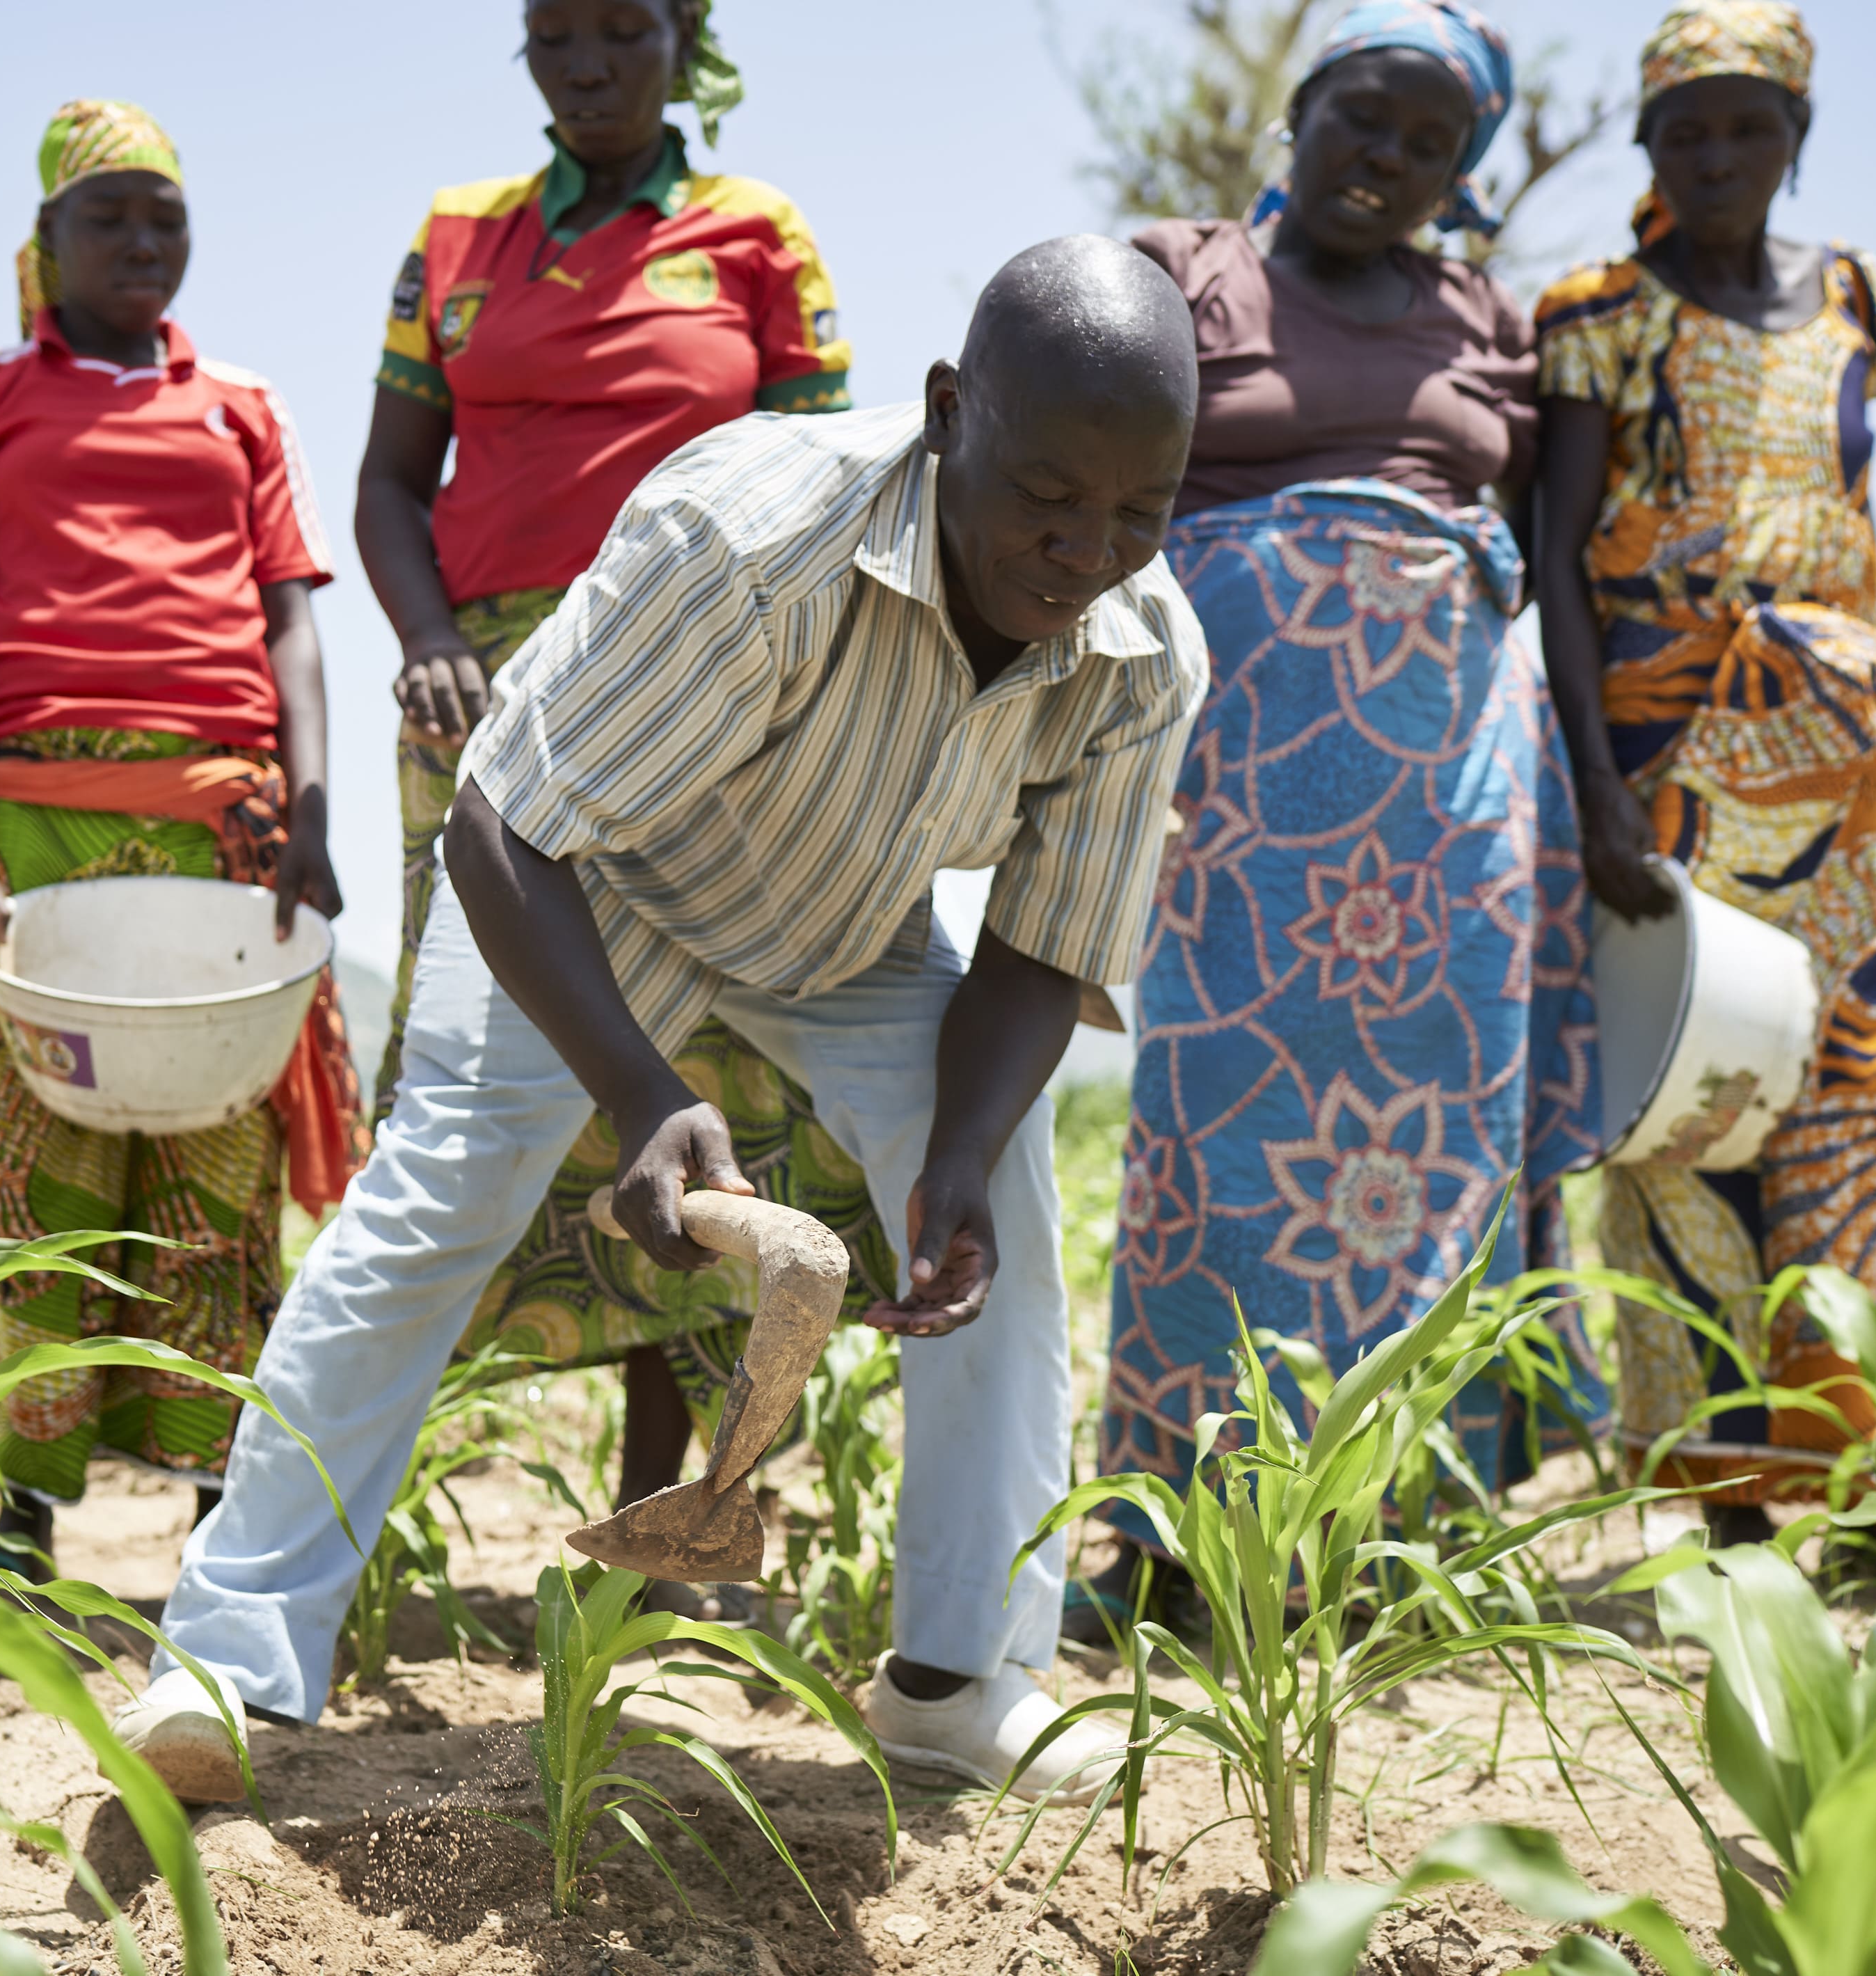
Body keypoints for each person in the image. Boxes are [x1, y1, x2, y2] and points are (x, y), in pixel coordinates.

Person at [115, 235, 1211, 1808]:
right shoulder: (750, 532)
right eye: (1047, 493)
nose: (1083, 546)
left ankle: (960, 1682)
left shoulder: (1141, 648)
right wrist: (635, 1088)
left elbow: (1039, 951)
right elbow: (504, 827)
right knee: (437, 1202)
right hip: (584, 880)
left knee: (1003, 1227)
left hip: (847, 927)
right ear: (951, 409)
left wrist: (956, 1151)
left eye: (1138, 511)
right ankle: (227, 1662)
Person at [1085, 0, 1602, 1623]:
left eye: (1432, 140)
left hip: (1443, 802)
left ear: (1464, 171)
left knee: (1429, 1144)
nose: (1388, 158)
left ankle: (1395, 1536)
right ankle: (1173, 1544)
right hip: (1232, 790)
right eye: (1363, 117)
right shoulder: (1179, 274)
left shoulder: (1488, 321)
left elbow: (1536, 552)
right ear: (1299, 111)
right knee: (1210, 1136)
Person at [356, 0, 871, 1546]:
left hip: (698, 691)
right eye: (554, 33)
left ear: (681, 39)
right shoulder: (454, 237)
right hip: (486, 703)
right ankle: (362, 1498)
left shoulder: (756, 233)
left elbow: (824, 487)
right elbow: (391, 481)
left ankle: (683, 1507)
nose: (585, 61)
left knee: (708, 1069)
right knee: (475, 1081)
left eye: (620, 29)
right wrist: (432, 634)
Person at [1533, 1, 1876, 1531]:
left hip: (1851, 758)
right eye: (1685, 127)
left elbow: (1845, 506)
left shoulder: (1850, 291)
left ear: (1797, 135)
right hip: (1678, 760)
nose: (1717, 153)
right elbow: (1559, 561)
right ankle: (1732, 1495)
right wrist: (1595, 783)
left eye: (1748, 123)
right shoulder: (1602, 309)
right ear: (1647, 143)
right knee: (1697, 1110)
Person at [0, 102, 361, 1573]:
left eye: (163, 216)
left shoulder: (242, 404)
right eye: (107, 215)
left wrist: (312, 809)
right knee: (36, 1162)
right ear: (43, 241)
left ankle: (220, 1505)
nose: (141, 242)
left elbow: (290, 618)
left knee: (214, 1170)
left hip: (217, 819)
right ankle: (26, 1511)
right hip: (27, 817)